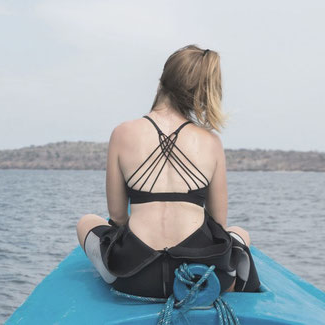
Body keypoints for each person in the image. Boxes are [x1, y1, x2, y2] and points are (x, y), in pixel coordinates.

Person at [76, 45, 260, 298]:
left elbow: (118, 216)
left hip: (136, 276)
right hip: (198, 275)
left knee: (86, 222)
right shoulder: (211, 141)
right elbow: (218, 223)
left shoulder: (122, 132)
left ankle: (113, 271)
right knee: (240, 233)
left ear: (163, 79)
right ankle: (228, 277)